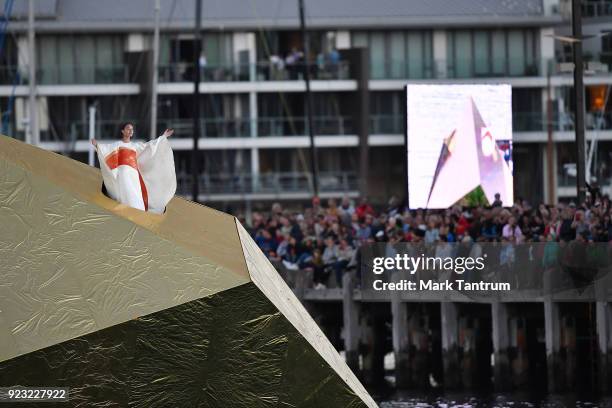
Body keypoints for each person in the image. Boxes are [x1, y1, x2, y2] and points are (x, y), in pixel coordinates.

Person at [92, 123, 176, 214]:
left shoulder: (135, 146)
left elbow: (150, 146)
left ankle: (138, 213)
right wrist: (97, 145)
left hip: (133, 176)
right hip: (123, 175)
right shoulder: (117, 145)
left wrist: (163, 136)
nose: (130, 131)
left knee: (136, 195)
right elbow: (106, 150)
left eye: (132, 129)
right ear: (123, 131)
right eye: (128, 129)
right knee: (125, 195)